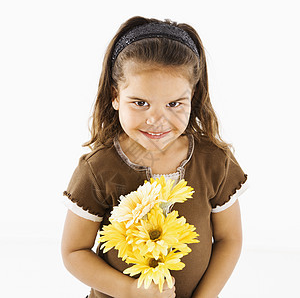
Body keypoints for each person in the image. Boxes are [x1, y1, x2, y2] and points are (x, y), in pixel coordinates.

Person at [61, 16, 248, 298]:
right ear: (115, 96)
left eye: (174, 104)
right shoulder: (99, 169)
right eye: (140, 103)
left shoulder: (214, 162)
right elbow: (74, 251)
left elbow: (228, 239)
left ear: (192, 98)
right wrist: (129, 290)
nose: (157, 120)